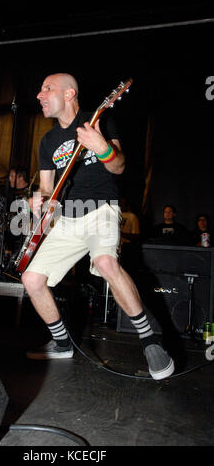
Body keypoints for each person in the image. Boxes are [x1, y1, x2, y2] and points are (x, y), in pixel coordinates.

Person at [21, 73, 174, 381]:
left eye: (46, 88)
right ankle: (62, 342)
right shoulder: (47, 141)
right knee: (31, 279)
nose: (39, 95)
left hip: (102, 209)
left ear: (69, 94)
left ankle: (150, 343)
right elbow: (48, 188)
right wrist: (41, 199)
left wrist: (101, 146)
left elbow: (118, 165)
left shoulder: (97, 119)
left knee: (105, 262)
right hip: (68, 217)